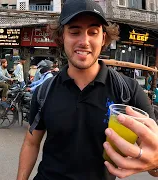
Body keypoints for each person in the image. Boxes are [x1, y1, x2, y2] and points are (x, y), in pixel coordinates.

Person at [17, 0, 158, 179]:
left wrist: (155, 162)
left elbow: (153, 153)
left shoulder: (128, 91)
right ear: (62, 38)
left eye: (93, 32)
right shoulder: (45, 91)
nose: (84, 41)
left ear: (103, 38)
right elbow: (31, 142)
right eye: (75, 32)